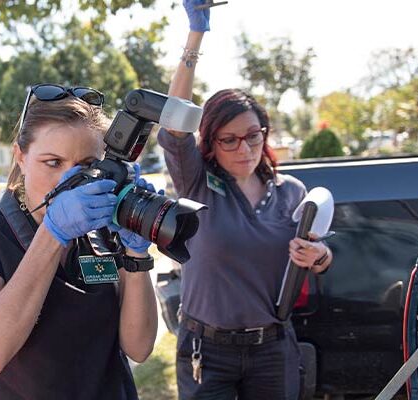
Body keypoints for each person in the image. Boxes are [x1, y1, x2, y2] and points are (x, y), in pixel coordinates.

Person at [158, 2, 334, 399]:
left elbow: (322, 256)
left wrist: (318, 256)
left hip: (272, 348)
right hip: (207, 349)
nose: (244, 148)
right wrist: (195, 35)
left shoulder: (292, 193)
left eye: (253, 135)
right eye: (229, 139)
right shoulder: (197, 184)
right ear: (211, 143)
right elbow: (174, 124)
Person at [0, 83, 158, 400]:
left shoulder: (103, 227)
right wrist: (53, 232)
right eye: (53, 162)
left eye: (86, 165)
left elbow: (139, 348)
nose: (69, 180)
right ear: (20, 156)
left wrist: (137, 253)